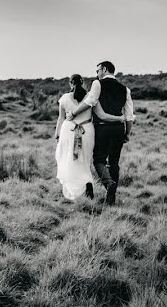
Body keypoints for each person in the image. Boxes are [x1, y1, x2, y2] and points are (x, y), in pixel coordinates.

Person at [67, 61, 134, 205]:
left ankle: (109, 184)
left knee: (99, 160)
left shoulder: (97, 84)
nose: (97, 73)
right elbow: (129, 116)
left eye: (98, 70)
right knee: (114, 163)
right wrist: (127, 133)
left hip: (102, 128)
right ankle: (112, 199)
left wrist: (73, 112)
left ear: (104, 69)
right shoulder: (125, 89)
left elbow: (90, 102)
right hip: (118, 129)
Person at [54, 74, 95, 200]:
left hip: (69, 130)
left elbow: (61, 118)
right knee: (85, 159)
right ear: (82, 83)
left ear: (70, 83)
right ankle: (88, 187)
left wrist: (57, 133)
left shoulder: (65, 98)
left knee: (68, 158)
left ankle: (75, 188)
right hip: (86, 130)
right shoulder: (90, 98)